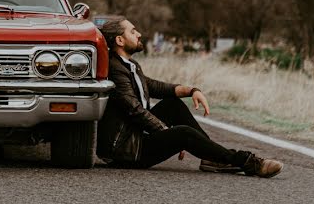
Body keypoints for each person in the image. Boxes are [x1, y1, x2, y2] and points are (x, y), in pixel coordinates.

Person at [96, 15, 283, 178]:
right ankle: (246, 162)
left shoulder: (129, 65)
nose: (139, 34)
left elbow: (155, 86)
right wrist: (168, 134)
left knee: (172, 105)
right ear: (120, 41)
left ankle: (212, 158)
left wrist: (192, 91)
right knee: (184, 133)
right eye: (133, 31)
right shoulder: (115, 70)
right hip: (125, 151)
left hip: (134, 136)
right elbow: (135, 111)